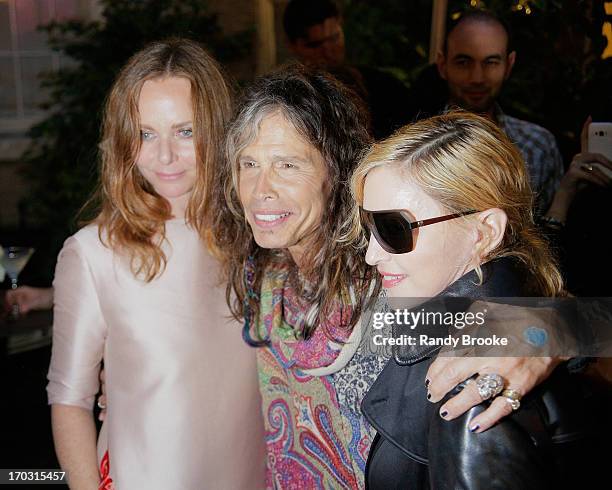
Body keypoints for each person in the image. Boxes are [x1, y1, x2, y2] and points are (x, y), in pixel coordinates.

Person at [212, 64, 565, 489]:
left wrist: (543, 332)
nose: (260, 187)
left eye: (287, 164)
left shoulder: (391, 281)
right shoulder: (263, 270)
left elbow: (517, 298)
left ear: (335, 171)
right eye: (248, 163)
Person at [47, 39, 265, 489]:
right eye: (146, 134)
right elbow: (69, 401)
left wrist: (455, 341)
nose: (164, 156)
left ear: (218, 129)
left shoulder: (260, 238)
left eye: (185, 132)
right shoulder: (92, 253)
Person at [354, 111, 595, 489]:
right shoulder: (452, 320)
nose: (370, 255)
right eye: (368, 225)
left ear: (484, 233)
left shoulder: (475, 386)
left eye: (392, 229)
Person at [410, 9, 565, 214]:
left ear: (508, 65)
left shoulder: (538, 145)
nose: (477, 78)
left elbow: (546, 237)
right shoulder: (416, 145)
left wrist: (568, 191)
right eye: (463, 62)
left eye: (490, 62)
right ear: (442, 65)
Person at [283, 0, 412, 138]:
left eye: (334, 38)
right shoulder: (286, 99)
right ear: (291, 46)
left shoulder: (386, 89)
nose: (328, 52)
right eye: (314, 45)